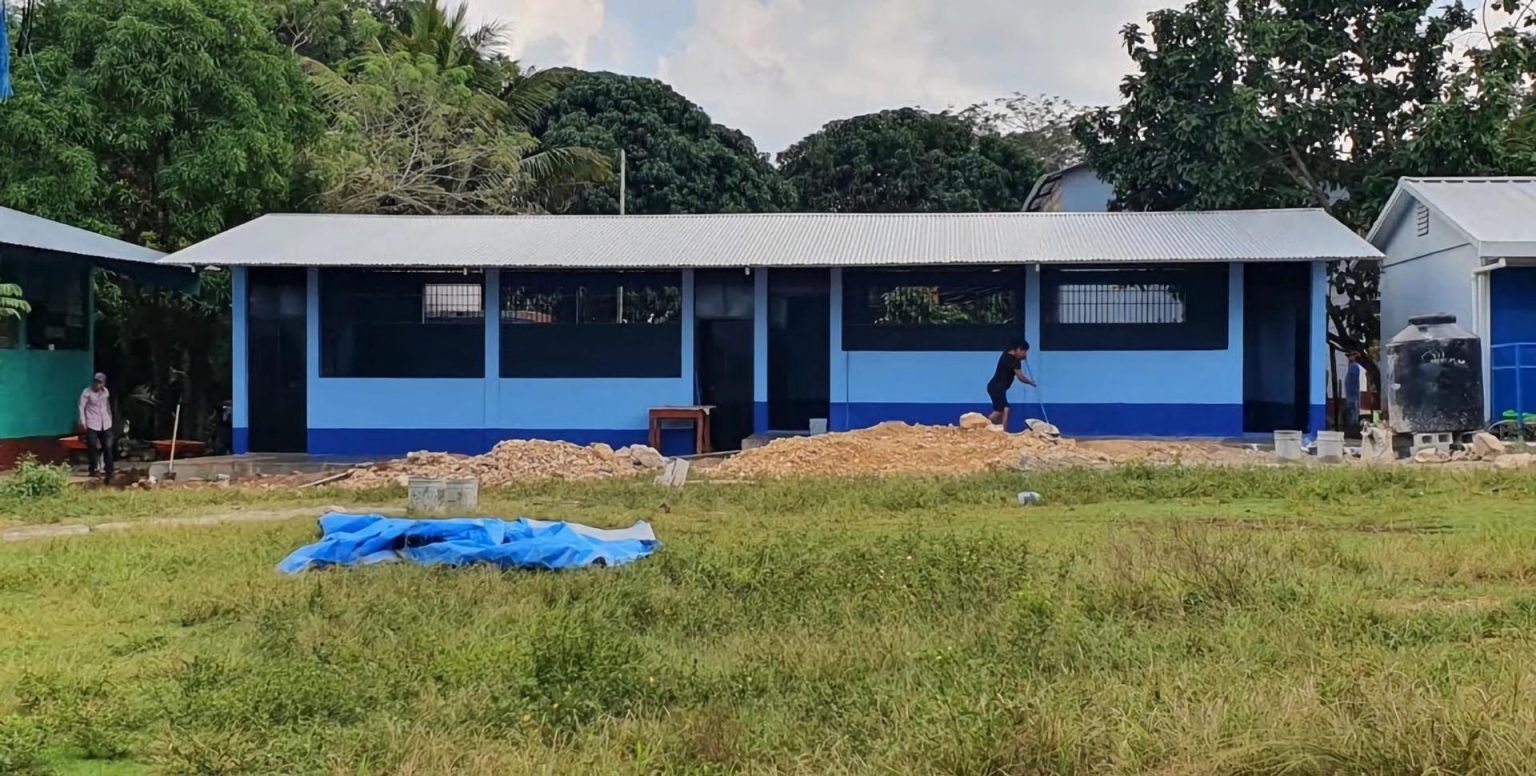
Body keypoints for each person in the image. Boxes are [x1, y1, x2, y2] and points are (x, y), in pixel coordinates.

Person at [987, 339, 1036, 431]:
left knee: (1000, 411)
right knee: (1005, 408)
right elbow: (1020, 377)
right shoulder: (1015, 361)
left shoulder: (1006, 354)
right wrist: (1031, 382)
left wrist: (1021, 357)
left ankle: (986, 426)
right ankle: (1003, 431)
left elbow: (1013, 357)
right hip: (997, 387)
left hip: (994, 386)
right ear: (1018, 349)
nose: (1025, 354)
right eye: (1024, 352)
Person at [78, 372, 114, 483]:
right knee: (92, 445)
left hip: (106, 423)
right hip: (92, 423)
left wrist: (110, 419)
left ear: (103, 384)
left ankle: (109, 470)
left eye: (99, 382)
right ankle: (93, 468)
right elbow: (81, 406)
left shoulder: (106, 392)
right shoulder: (86, 393)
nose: (96, 384)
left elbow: (107, 406)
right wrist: (83, 421)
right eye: (95, 381)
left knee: (108, 446)